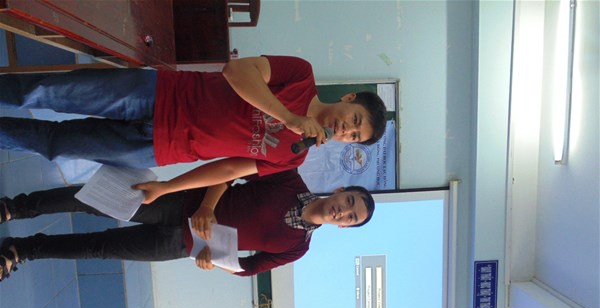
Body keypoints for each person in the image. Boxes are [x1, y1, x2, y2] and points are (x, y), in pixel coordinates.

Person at [0, 56, 387, 192]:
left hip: (157, 148)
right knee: (45, 91)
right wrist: (288, 117)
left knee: (55, 144)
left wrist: (168, 188)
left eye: (353, 137)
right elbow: (236, 71)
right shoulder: (301, 75)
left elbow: (229, 170)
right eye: (353, 121)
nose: (345, 131)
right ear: (349, 98)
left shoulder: (294, 157)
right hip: (158, 93)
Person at [0, 170, 375, 280]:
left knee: (98, 248)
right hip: (180, 202)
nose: (343, 212)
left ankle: (23, 251)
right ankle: (14, 208)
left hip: (180, 246)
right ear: (340, 190)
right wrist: (208, 206)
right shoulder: (289, 180)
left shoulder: (297, 248)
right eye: (349, 202)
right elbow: (229, 171)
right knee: (93, 200)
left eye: (351, 217)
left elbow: (248, 267)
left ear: (344, 228)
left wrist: (216, 261)